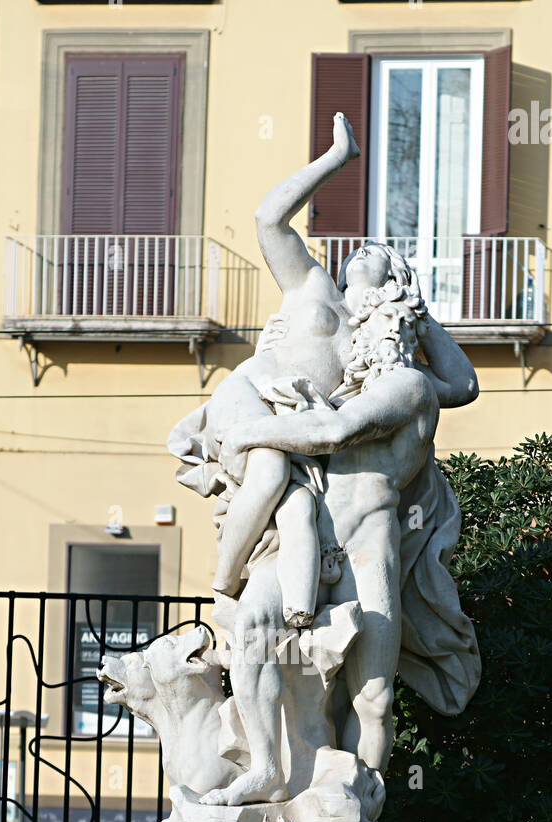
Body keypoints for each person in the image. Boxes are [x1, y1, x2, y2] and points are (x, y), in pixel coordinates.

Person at [201, 273, 481, 804]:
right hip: (306, 544)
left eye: (371, 322)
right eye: (355, 323)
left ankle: (358, 810)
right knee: (267, 646)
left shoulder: (410, 387)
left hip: (367, 550)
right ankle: (270, 770)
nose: (356, 333)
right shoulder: (339, 389)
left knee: (371, 697)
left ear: (397, 332)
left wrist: (245, 433)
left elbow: (339, 432)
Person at [169, 113, 404, 628]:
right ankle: (224, 584)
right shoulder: (314, 285)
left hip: (305, 433)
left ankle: (300, 619)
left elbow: (461, 386)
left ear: (396, 280)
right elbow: (268, 219)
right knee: (270, 471)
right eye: (359, 249)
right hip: (254, 393)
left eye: (377, 251)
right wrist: (336, 159)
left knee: (297, 509)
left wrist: (422, 323)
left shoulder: (382, 341)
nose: (362, 249)